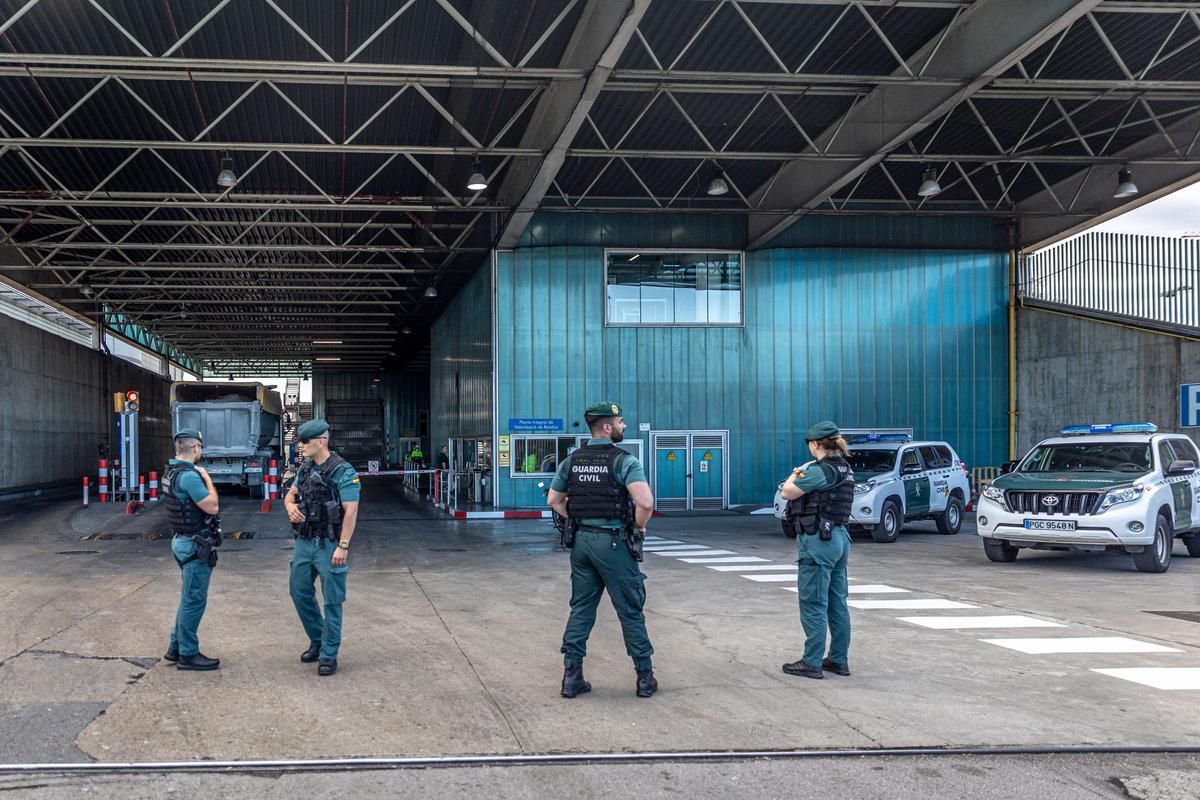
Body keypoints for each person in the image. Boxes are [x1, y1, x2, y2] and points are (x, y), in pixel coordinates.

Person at [547, 401, 657, 698]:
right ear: (607, 427)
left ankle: (572, 677)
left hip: (582, 542)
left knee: (581, 608)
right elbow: (645, 502)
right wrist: (639, 526)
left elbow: (554, 502)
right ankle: (644, 678)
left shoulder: (571, 461)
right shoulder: (625, 461)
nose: (625, 426)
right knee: (630, 610)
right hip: (613, 543)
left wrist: (581, 518)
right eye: (621, 421)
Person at [283, 419, 361, 676]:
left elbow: (351, 511)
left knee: (332, 601)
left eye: (305, 441)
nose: (301, 445)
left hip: (329, 545)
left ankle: (329, 654)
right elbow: (289, 496)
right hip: (305, 542)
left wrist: (343, 546)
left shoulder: (343, 470)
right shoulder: (305, 468)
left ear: (321, 441)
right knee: (299, 591)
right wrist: (291, 507)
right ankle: (317, 639)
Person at [778, 420, 855, 680]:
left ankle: (811, 662)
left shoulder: (819, 470)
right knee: (837, 602)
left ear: (814, 444)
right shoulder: (845, 467)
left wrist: (797, 471)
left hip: (819, 541)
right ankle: (838, 659)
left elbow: (788, 492)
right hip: (840, 538)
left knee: (813, 602)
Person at [162, 428, 222, 671]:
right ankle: (188, 654)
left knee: (187, 597)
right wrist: (207, 479)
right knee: (194, 601)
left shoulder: (171, 471)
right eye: (201, 448)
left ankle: (175, 647)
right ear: (196, 448)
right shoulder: (190, 476)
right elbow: (212, 507)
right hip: (194, 545)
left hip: (181, 541)